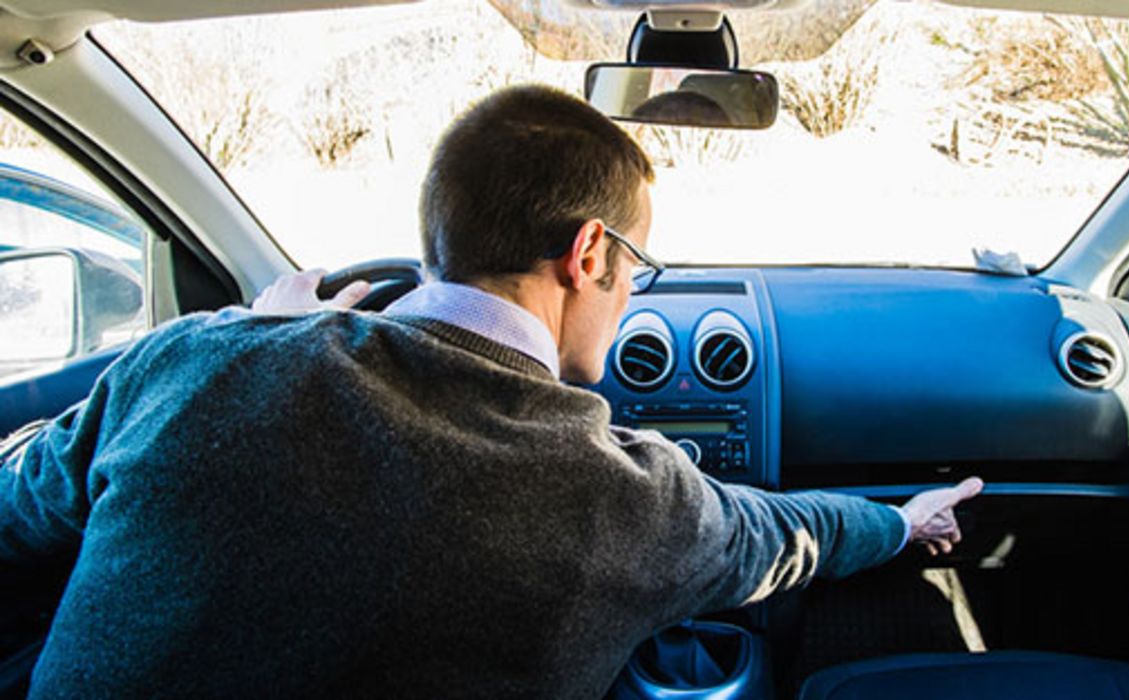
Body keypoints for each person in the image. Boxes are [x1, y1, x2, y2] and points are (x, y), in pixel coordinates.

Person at [0, 85, 981, 698]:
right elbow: (778, 538)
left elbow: (22, 502)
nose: (632, 290)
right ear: (588, 251)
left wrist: (252, 330)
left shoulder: (198, 364)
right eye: (637, 262)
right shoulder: (631, 501)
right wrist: (903, 521)